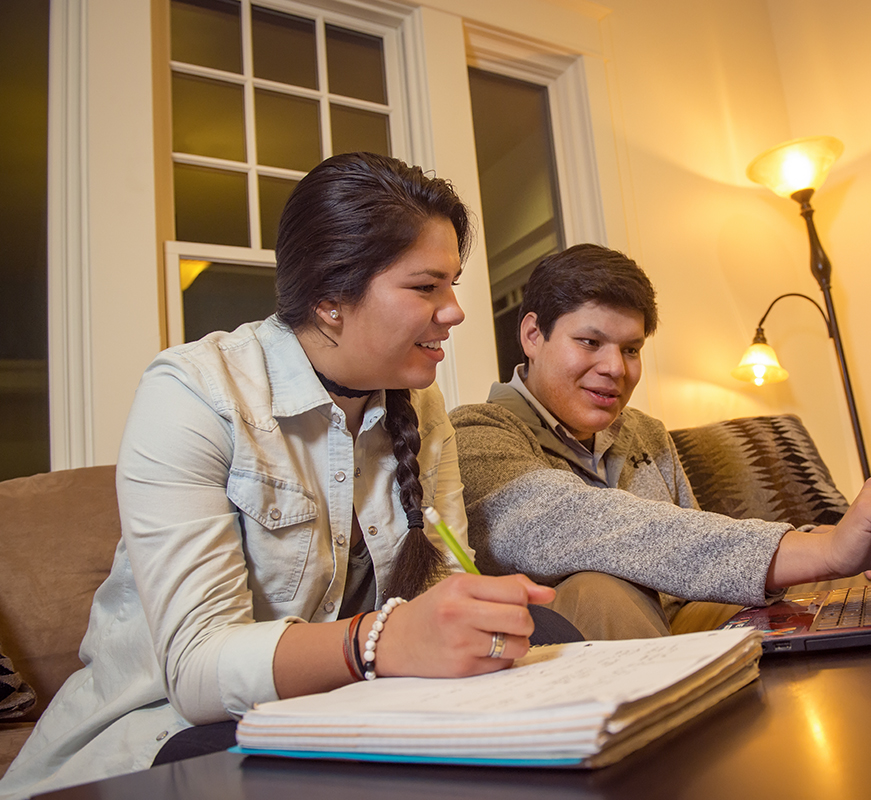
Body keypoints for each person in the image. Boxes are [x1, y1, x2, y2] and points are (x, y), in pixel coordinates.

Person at [0, 153, 578, 800]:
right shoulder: (192, 392)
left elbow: (441, 582)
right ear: (330, 297)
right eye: (426, 287)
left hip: (349, 702)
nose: (455, 311)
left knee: (547, 638)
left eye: (454, 284)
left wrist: (470, 614)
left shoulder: (420, 404)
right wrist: (382, 640)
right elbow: (197, 673)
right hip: (169, 729)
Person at [449, 244, 871, 640]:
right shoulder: (474, 434)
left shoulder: (643, 431)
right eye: (590, 342)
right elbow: (587, 526)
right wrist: (817, 549)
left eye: (631, 349)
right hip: (583, 650)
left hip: (688, 621)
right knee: (599, 587)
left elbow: (696, 542)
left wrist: (827, 541)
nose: (615, 368)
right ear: (533, 335)